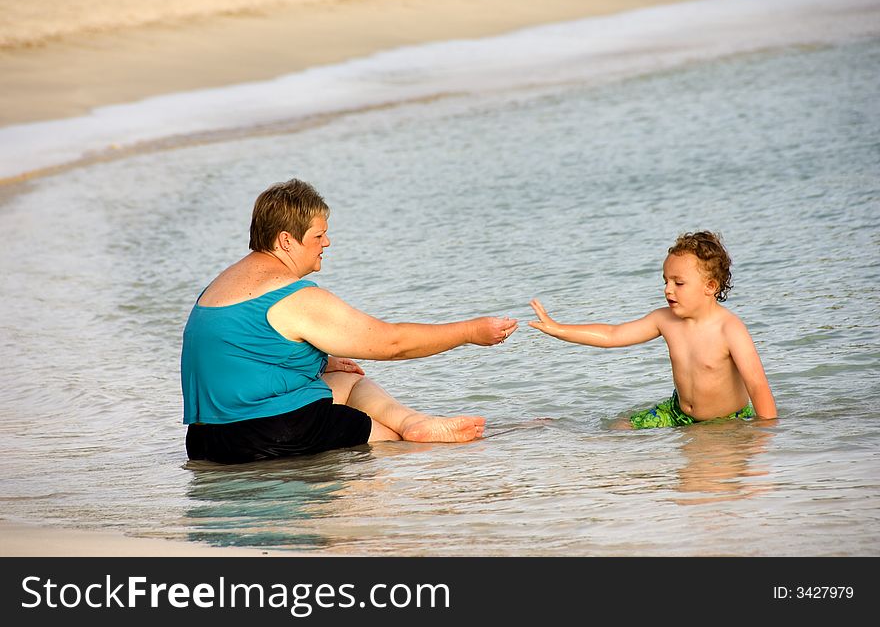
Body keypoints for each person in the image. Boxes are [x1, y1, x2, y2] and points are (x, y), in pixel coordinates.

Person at [181, 178, 518, 463]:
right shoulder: (291, 295)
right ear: (286, 240)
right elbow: (392, 344)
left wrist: (322, 361)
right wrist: (470, 332)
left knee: (345, 379)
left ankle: (416, 420)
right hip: (270, 434)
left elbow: (236, 354)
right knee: (400, 445)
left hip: (205, 442)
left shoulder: (218, 287)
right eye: (318, 235)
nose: (326, 242)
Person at [529, 231, 777, 429]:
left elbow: (757, 386)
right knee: (618, 429)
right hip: (677, 413)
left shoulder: (729, 329)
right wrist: (558, 328)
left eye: (678, 283)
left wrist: (765, 436)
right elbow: (612, 335)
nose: (668, 290)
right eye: (666, 281)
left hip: (728, 419)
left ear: (710, 286)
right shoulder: (665, 319)